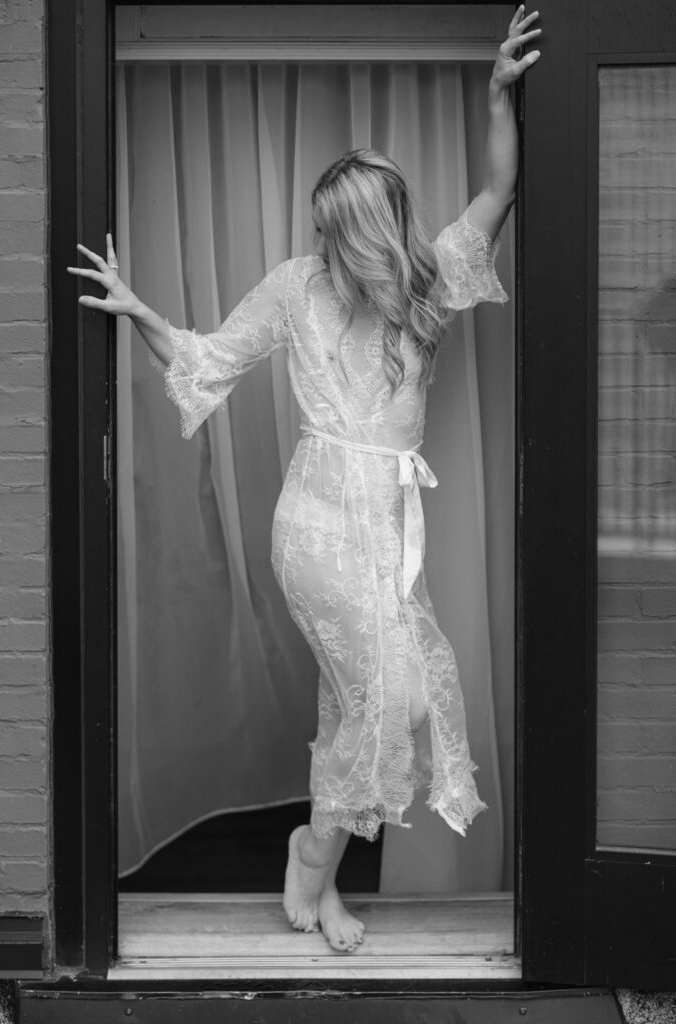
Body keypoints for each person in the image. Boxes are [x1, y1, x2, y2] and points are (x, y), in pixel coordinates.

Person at [68, 6, 541, 954]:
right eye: (320, 232)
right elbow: (210, 358)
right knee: (391, 702)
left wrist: (499, 93)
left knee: (365, 703)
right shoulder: (296, 286)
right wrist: (137, 308)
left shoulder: (427, 281)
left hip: (385, 530)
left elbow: (499, 189)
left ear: (371, 231)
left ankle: (310, 864)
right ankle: (313, 863)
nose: (324, 246)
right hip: (316, 528)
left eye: (337, 231)